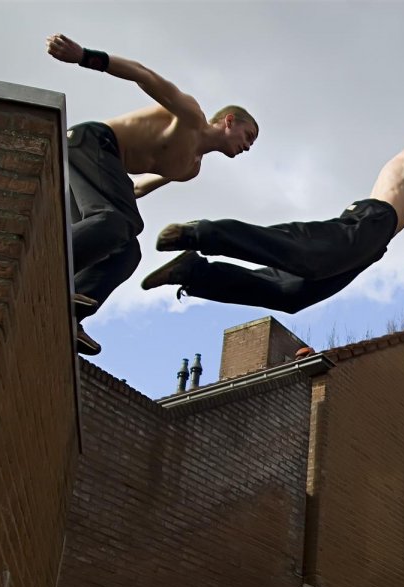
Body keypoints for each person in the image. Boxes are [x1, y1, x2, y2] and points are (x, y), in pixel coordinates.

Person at [139, 88, 404, 312]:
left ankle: (195, 273)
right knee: (307, 255)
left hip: (374, 244)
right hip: (370, 221)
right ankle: (200, 234)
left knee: (291, 295)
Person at [46, 33, 259, 355]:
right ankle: (46, 269)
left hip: (97, 170)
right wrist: (84, 56)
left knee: (126, 250)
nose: (247, 146)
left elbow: (136, 188)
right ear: (229, 121)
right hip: (90, 141)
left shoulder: (189, 168)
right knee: (118, 221)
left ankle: (69, 313)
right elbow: (143, 75)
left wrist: (117, 210)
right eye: (248, 136)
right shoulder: (189, 116)